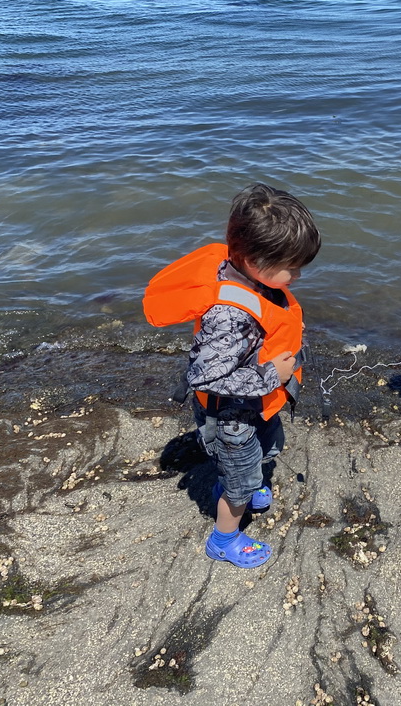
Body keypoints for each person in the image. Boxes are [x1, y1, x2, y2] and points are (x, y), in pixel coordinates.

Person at [143, 184, 321, 568]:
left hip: (257, 409)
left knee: (269, 448)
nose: (299, 275)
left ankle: (247, 477)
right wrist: (274, 374)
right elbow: (206, 377)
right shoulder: (228, 316)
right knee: (239, 485)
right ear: (255, 262)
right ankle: (224, 539)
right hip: (231, 419)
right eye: (292, 266)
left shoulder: (253, 277)